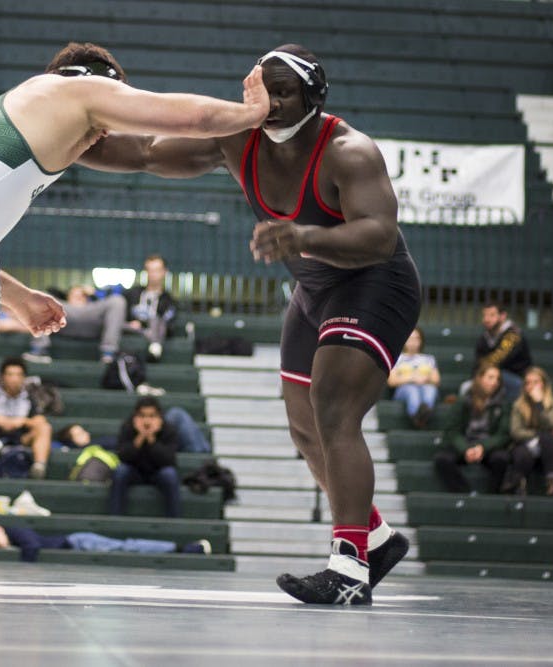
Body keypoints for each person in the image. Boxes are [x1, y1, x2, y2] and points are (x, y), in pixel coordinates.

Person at [0, 41, 269, 598]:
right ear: (106, 84)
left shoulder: (26, 112)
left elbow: (146, 155)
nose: (101, 139)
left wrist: (12, 295)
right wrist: (254, 113)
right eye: (108, 121)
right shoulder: (80, 89)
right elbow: (188, 116)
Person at [82, 43, 415, 604]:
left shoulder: (349, 151)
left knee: (334, 412)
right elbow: (144, 154)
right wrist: (71, 145)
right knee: (305, 429)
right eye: (265, 92)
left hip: (374, 284)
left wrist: (304, 236)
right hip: (314, 292)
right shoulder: (237, 137)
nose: (275, 104)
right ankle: (375, 538)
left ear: (315, 95)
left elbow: (379, 235)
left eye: (287, 92)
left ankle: (349, 569)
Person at [433, 363, 511, 494]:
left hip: (487, 447)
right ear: (480, 379)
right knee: (442, 459)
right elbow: (452, 431)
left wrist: (482, 447)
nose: (495, 382)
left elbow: (503, 434)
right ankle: (464, 493)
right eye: (490, 377)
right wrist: (466, 449)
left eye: (497, 379)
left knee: (501, 459)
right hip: (464, 444)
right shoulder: (463, 401)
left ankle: (492, 496)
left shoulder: (503, 404)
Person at [0, 523, 210, 562]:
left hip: (78, 542)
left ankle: (184, 548)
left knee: (126, 546)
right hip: (76, 543)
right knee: (125, 547)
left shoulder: (16, 532)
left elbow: (32, 547)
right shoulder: (12, 539)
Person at [109, 397, 181, 517]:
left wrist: (151, 439)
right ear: (135, 417)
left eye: (152, 416)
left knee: (170, 474)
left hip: (158, 472)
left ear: (159, 417)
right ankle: (115, 517)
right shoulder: (127, 427)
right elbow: (123, 457)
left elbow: (169, 460)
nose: (147, 421)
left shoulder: (169, 429)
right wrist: (140, 437)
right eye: (142, 416)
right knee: (120, 471)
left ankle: (174, 520)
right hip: (134, 472)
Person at [24, 284, 127, 364]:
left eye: (82, 294)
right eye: (75, 294)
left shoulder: (95, 302)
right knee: (41, 297)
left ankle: (108, 353)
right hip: (66, 316)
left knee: (118, 300)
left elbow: (119, 292)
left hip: (91, 318)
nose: (78, 296)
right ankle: (39, 350)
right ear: (68, 295)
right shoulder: (63, 303)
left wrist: (96, 292)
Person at [504, 367, 553, 496]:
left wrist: (539, 404)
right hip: (525, 445)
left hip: (548, 450)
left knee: (548, 439)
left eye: (535, 382)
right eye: (527, 383)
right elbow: (516, 432)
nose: (531, 386)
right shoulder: (518, 405)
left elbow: (551, 423)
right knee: (524, 452)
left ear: (544, 384)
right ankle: (519, 486)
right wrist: (538, 435)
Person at [464, 302, 532, 403]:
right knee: (466, 387)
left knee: (495, 379)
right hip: (492, 374)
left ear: (503, 316)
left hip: (515, 376)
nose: (486, 319)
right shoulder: (484, 337)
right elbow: (478, 362)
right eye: (485, 315)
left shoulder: (513, 334)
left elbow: (499, 359)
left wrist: (484, 373)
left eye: (491, 315)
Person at [124, 254, 177, 362]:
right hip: (130, 330)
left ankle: (155, 347)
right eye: (150, 270)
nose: (153, 274)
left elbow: (168, 325)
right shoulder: (132, 293)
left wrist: (145, 324)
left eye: (157, 270)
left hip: (155, 331)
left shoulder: (169, 301)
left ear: (164, 272)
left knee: (157, 321)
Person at [387, 327, 440, 429]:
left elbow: (436, 380)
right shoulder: (397, 358)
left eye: (416, 338)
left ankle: (423, 415)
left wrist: (424, 379)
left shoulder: (429, 359)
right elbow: (392, 381)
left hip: (425, 387)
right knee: (412, 390)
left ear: (421, 340)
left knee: (431, 389)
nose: (413, 342)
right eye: (410, 338)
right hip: (404, 390)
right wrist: (412, 378)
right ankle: (417, 416)